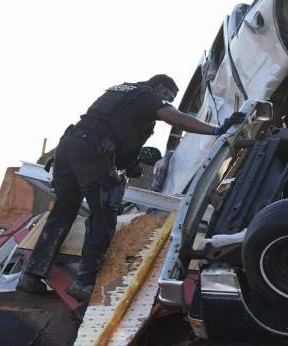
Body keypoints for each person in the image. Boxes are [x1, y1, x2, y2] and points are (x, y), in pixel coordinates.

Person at [16, 74, 245, 301]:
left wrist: (134, 162)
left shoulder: (121, 93)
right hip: (92, 150)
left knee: (62, 213)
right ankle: (84, 282)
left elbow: (113, 132)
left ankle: (31, 275)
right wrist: (217, 130)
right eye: (169, 96)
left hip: (68, 148)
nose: (169, 101)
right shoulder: (146, 95)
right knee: (104, 215)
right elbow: (175, 118)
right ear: (161, 88)